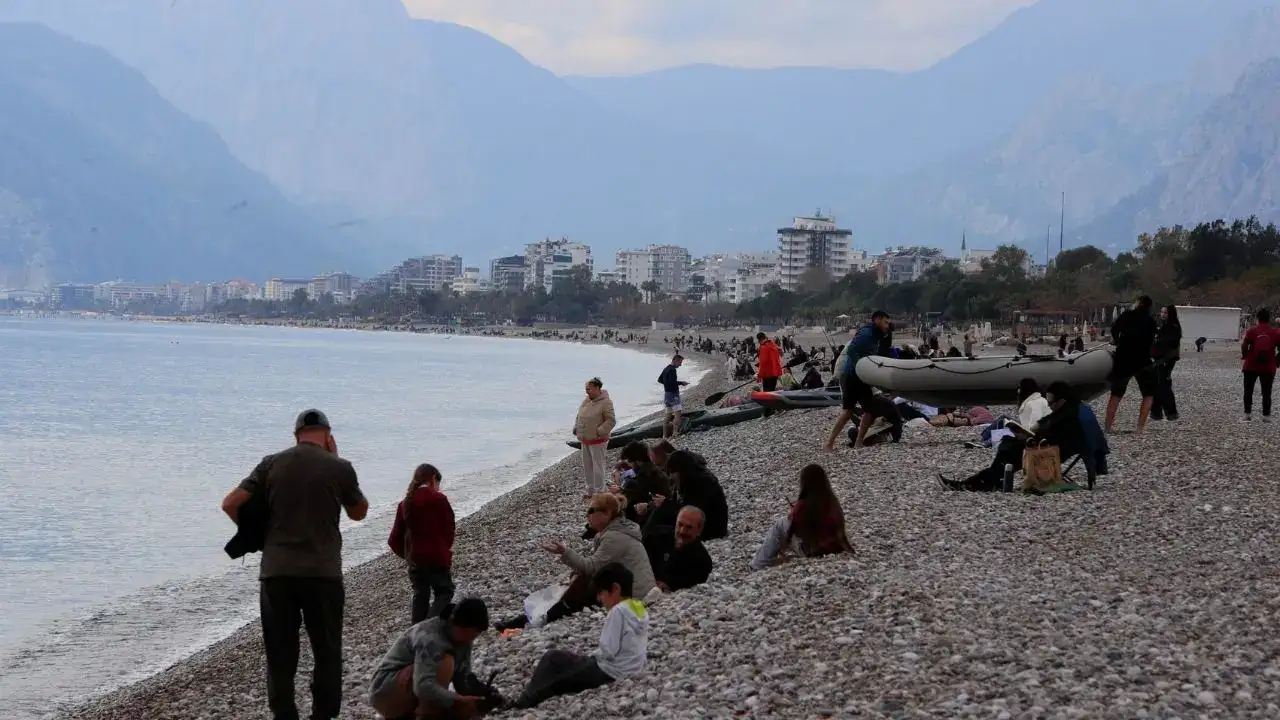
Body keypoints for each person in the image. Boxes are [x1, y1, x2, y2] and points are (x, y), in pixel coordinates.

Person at [220, 409, 368, 720]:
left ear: (295, 435)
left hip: (277, 571)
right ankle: (322, 715)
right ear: (328, 435)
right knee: (326, 649)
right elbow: (359, 512)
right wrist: (337, 459)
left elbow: (231, 503)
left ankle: (285, 714)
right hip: (322, 572)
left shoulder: (271, 463)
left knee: (280, 652)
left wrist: (256, 534)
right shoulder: (340, 467)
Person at [495, 493, 655, 632]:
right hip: (631, 588)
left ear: (607, 514)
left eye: (591, 511)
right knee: (577, 582)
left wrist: (564, 552)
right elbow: (599, 566)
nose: (588, 516)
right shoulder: (615, 532)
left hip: (636, 594)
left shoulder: (614, 537)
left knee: (580, 584)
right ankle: (533, 618)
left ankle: (536, 618)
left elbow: (591, 568)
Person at [511, 564, 649, 709]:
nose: (598, 598)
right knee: (567, 667)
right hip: (632, 668)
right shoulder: (639, 608)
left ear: (615, 589)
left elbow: (609, 651)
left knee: (552, 659)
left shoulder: (618, 611)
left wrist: (591, 658)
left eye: (601, 592)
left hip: (610, 671)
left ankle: (525, 700)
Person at [939, 382, 1084, 492]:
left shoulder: (1067, 417)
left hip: (1047, 450)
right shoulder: (1068, 411)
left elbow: (1054, 438)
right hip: (1047, 445)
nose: (1050, 405)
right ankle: (987, 480)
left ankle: (970, 484)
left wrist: (1029, 437)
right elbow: (1050, 430)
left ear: (1062, 400)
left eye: (1052, 402)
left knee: (1009, 449)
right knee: (1008, 444)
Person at [368, 598, 494, 720]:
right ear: (457, 624)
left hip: (410, 690)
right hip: (384, 692)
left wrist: (481, 694)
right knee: (444, 662)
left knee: (465, 710)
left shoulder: (463, 639)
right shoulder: (431, 638)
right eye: (471, 635)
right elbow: (423, 686)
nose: (471, 640)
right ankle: (427, 715)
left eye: (475, 636)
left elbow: (463, 678)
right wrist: (457, 700)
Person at [388, 464, 456, 624]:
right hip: (436, 556)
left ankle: (415, 633)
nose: (438, 489)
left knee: (421, 596)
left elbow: (394, 538)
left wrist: (407, 555)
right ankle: (429, 624)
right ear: (433, 479)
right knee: (444, 592)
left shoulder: (405, 504)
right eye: (438, 484)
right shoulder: (439, 500)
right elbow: (449, 529)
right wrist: (444, 548)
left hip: (416, 560)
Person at [751, 465, 853, 570]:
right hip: (835, 547)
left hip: (812, 550)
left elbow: (796, 529)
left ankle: (759, 563)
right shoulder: (833, 502)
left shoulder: (805, 505)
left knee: (781, 523)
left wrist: (793, 513)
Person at [824, 311, 891, 452]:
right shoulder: (867, 334)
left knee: (869, 410)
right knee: (847, 412)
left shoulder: (876, 336)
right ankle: (828, 444)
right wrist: (859, 367)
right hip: (851, 377)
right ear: (877, 320)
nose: (887, 325)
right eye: (885, 322)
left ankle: (859, 442)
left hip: (861, 378)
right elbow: (852, 350)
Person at [1105, 296, 1159, 433]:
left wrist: (1117, 341)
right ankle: (1140, 428)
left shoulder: (1127, 315)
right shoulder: (1151, 322)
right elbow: (1152, 341)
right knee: (1148, 394)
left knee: (1116, 394)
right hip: (1143, 360)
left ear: (1139, 303)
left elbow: (1114, 330)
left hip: (1124, 359)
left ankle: (1108, 427)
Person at [660, 450, 729, 540]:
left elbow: (691, 512)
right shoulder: (694, 478)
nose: (671, 477)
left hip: (710, 530)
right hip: (702, 525)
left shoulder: (701, 483)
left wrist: (665, 504)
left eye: (672, 473)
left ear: (680, 470)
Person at [646, 506, 713, 592]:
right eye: (680, 524)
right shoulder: (656, 536)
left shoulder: (701, 562)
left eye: (689, 527)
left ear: (699, 530)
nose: (682, 531)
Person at [574, 377, 616, 498]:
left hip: (598, 440)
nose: (587, 391)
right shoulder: (586, 400)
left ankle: (599, 491)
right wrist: (576, 427)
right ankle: (590, 490)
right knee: (587, 466)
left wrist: (599, 431)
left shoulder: (606, 402)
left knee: (598, 466)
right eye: (586, 389)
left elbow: (611, 420)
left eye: (589, 389)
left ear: (597, 388)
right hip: (585, 439)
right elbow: (579, 415)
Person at [1241, 308, 1280, 421]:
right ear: (1269, 319)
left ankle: (1247, 414)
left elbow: (1244, 345)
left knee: (1248, 390)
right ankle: (1266, 415)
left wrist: (1245, 356)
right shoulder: (1275, 332)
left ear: (1257, 318)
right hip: (1268, 366)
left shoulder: (1252, 331)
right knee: (1267, 391)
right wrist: (1277, 360)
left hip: (1251, 365)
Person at [1150, 305, 1182, 422]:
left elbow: (1169, 344)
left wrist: (1157, 341)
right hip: (1160, 359)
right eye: (1162, 312)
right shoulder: (1165, 326)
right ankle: (1156, 412)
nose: (1163, 314)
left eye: (1166, 313)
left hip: (1166, 360)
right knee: (1157, 385)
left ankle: (1171, 413)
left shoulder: (1173, 327)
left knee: (1164, 386)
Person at [658, 354, 689, 439]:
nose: (680, 364)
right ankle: (675, 433)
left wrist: (667, 384)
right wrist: (681, 383)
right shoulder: (672, 370)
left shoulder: (666, 369)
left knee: (668, 415)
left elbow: (659, 380)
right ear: (675, 360)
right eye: (680, 362)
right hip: (673, 395)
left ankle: (664, 436)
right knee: (677, 414)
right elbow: (673, 382)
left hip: (667, 395)